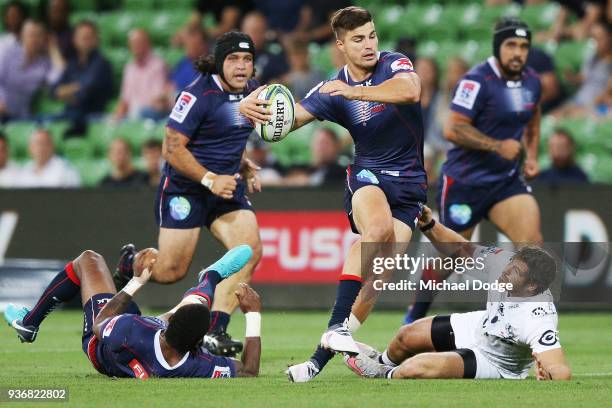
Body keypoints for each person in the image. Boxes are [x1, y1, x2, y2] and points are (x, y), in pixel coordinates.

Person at [241, 6, 426, 382]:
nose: (369, 44)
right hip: (369, 175)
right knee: (376, 233)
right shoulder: (331, 89)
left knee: (380, 275)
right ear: (341, 45)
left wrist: (356, 90)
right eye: (358, 39)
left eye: (372, 35)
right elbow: (287, 120)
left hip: (410, 186)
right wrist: (247, 109)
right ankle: (333, 336)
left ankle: (316, 360)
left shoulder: (394, 65)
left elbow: (412, 91)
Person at [113, 31, 264, 358]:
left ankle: (214, 330)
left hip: (225, 186)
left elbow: (220, 135)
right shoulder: (197, 95)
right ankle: (129, 264)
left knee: (249, 249)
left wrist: (243, 164)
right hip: (187, 187)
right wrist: (209, 179)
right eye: (234, 59)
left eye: (247, 59)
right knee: (170, 271)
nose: (241, 66)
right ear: (220, 62)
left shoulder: (252, 93)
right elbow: (171, 148)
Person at [403, 18, 544, 324]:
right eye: (511, 45)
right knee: (450, 259)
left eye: (523, 46)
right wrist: (496, 146)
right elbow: (452, 128)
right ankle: (414, 315)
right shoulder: (476, 81)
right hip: (465, 182)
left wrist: (531, 155)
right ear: (498, 48)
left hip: (506, 182)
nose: (518, 52)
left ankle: (524, 325)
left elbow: (533, 118)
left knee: (534, 249)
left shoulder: (532, 80)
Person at [342, 206, 572, 381]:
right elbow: (459, 248)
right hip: (481, 326)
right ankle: (381, 363)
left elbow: (560, 368)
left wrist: (550, 374)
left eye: (516, 272)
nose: (505, 271)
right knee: (406, 335)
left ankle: (384, 375)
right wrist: (430, 224)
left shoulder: (537, 316)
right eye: (512, 263)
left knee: (416, 367)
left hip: (496, 361)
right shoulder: (503, 263)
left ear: (531, 287)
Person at [4, 245, 262, 378]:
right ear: (198, 345)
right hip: (149, 350)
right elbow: (250, 370)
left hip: (103, 344)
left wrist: (136, 282)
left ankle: (29, 323)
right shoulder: (199, 365)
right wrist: (253, 315)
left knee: (89, 260)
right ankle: (210, 277)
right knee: (194, 305)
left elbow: (102, 320)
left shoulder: (131, 329)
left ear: (167, 327)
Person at [51, 20, 113, 136]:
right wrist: (76, 87)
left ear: (96, 40)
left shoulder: (102, 64)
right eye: (82, 37)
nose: (85, 40)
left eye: (89, 37)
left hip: (90, 115)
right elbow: (54, 91)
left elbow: (86, 92)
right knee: (42, 121)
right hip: (70, 113)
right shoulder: (72, 64)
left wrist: (66, 91)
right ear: (75, 40)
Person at [0, 19, 58, 122]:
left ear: (44, 39)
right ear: (22, 36)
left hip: (20, 117)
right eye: (30, 34)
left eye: (38, 35)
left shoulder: (44, 64)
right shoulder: (7, 51)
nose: (34, 39)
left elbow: (56, 78)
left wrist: (53, 48)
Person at [113, 29, 170, 121]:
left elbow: (158, 99)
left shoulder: (158, 65)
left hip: (150, 113)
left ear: (148, 44)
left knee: (140, 112)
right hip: (131, 115)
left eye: (140, 43)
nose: (136, 46)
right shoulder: (129, 68)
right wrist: (115, 116)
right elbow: (125, 99)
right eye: (133, 43)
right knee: (97, 120)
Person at [241, 11, 289, 84]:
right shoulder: (232, 55)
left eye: (260, 31)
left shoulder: (275, 54)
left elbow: (285, 78)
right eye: (253, 31)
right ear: (243, 32)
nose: (256, 35)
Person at [170, 25, 208, 93]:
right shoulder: (182, 63)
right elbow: (172, 85)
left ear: (204, 45)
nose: (190, 48)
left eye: (195, 44)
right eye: (188, 44)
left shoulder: (211, 67)